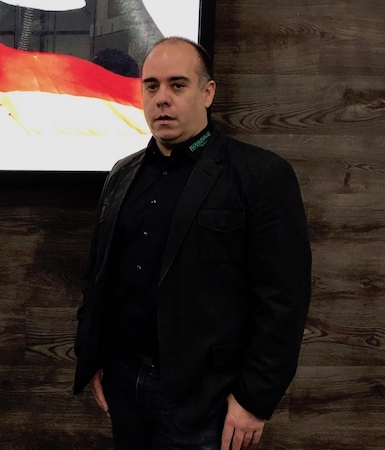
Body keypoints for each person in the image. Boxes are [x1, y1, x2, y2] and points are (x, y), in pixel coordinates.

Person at [72, 37, 311, 450]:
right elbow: (98, 276)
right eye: (151, 86)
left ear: (208, 92)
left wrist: (254, 399)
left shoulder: (260, 175)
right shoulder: (122, 174)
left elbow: (284, 300)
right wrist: (91, 354)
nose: (162, 98)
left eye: (177, 85)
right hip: (124, 382)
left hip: (206, 398)